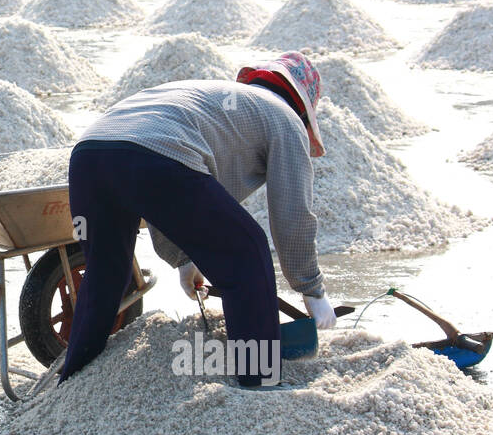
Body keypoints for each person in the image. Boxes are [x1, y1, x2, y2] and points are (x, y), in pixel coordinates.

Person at [58, 51, 335, 388]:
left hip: (90, 154)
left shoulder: (216, 97)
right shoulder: (285, 118)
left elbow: (172, 187)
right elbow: (292, 215)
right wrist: (312, 290)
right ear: (304, 108)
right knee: (245, 253)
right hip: (152, 155)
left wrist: (185, 257)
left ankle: (72, 383)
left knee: (105, 276)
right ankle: (259, 383)